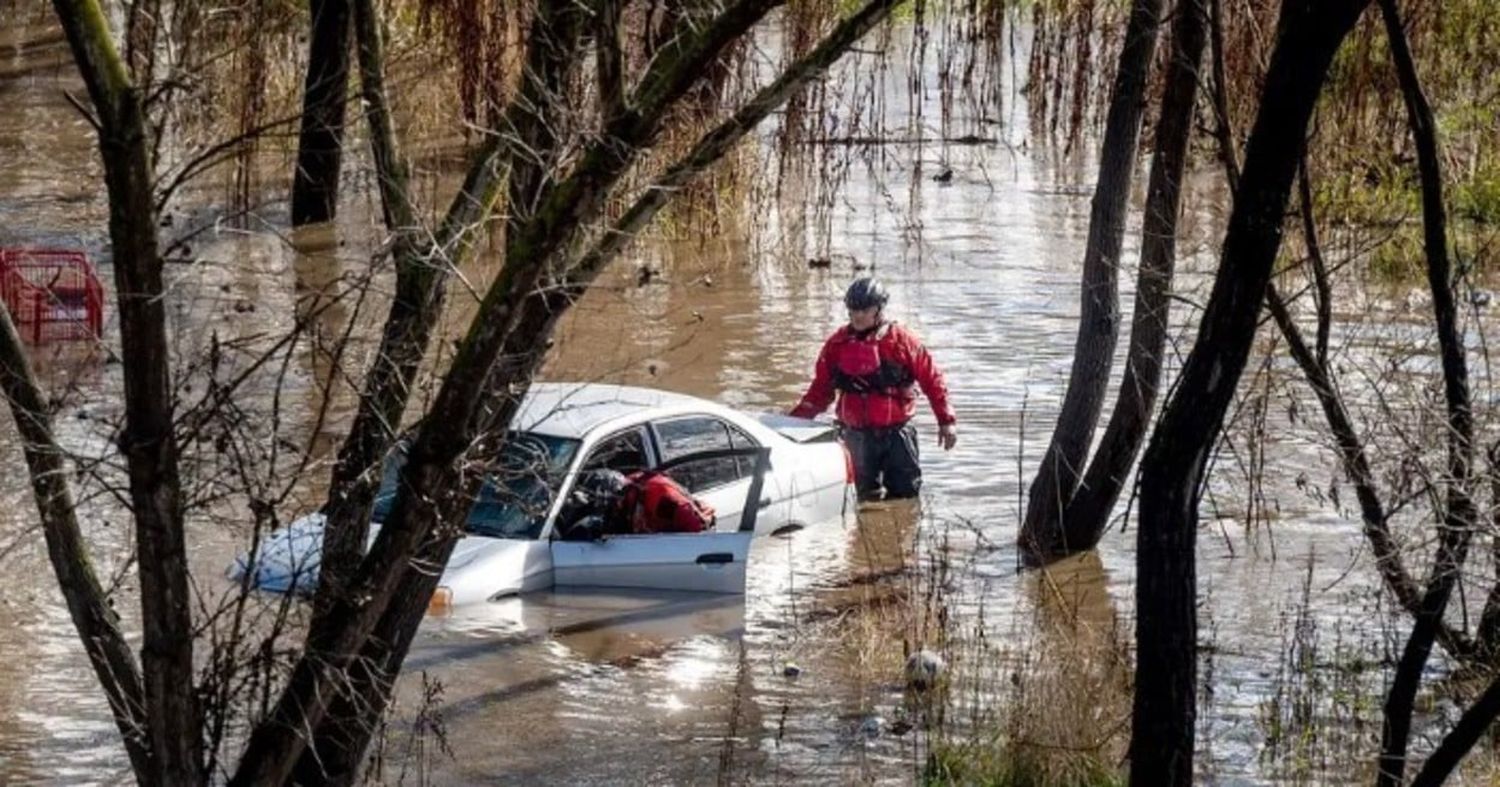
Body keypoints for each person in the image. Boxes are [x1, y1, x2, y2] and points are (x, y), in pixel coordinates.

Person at [790, 276, 957, 500]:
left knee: (905, 498)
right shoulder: (836, 346)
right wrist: (792, 425)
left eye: (864, 310)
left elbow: (932, 379)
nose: (858, 315)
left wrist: (946, 422)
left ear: (878, 310)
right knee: (859, 499)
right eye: (853, 310)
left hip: (897, 435)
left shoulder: (902, 342)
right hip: (855, 437)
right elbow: (819, 392)